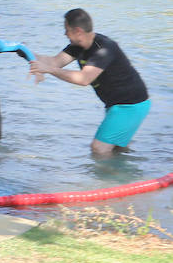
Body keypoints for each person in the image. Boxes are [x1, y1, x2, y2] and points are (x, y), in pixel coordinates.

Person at [29, 9, 149, 157]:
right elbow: (55, 62)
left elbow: (84, 79)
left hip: (130, 105)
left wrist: (49, 70)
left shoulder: (103, 48)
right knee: (117, 150)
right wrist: (23, 50)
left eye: (66, 30)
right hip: (117, 105)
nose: (65, 34)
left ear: (78, 31)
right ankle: (126, 177)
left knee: (99, 149)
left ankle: (106, 181)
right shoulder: (77, 46)